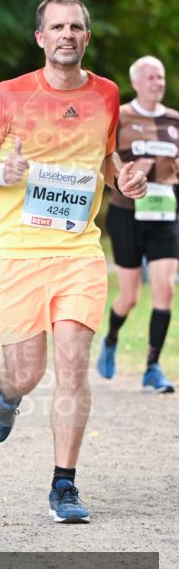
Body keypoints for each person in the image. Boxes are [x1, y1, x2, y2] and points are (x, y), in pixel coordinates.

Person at [0, 0, 147, 523]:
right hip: (18, 250)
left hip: (79, 250)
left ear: (87, 36)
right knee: (27, 372)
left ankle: (64, 485)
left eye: (77, 26)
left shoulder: (107, 94)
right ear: (40, 37)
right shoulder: (8, 94)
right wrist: (0, 173)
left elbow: (106, 159)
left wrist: (124, 177)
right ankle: (7, 392)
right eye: (57, 26)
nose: (68, 34)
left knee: (71, 364)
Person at [97, 56, 178, 394]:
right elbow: (106, 161)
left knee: (165, 289)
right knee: (129, 296)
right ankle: (112, 338)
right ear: (136, 82)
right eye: (150, 77)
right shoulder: (121, 117)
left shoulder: (175, 120)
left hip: (165, 213)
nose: (157, 82)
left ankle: (152, 367)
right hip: (127, 214)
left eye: (160, 77)